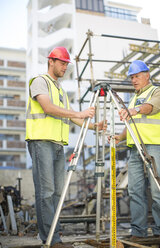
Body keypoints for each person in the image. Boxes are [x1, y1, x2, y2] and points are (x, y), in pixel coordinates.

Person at [25, 47, 107, 248]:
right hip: (41, 142)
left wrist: (94, 126)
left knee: (57, 194)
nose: (65, 67)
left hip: (57, 145)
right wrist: (79, 114)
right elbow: (47, 108)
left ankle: (55, 236)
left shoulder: (60, 90)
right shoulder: (40, 82)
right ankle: (50, 239)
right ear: (51, 61)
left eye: (66, 64)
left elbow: (69, 114)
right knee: (46, 192)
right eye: (62, 63)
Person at [108, 60, 160, 240]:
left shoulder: (158, 92)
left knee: (158, 190)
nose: (134, 80)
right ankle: (138, 231)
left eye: (137, 76)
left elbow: (150, 108)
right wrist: (120, 136)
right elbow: (132, 123)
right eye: (132, 77)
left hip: (154, 146)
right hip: (135, 149)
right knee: (135, 190)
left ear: (147, 75)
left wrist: (135, 109)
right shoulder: (133, 97)